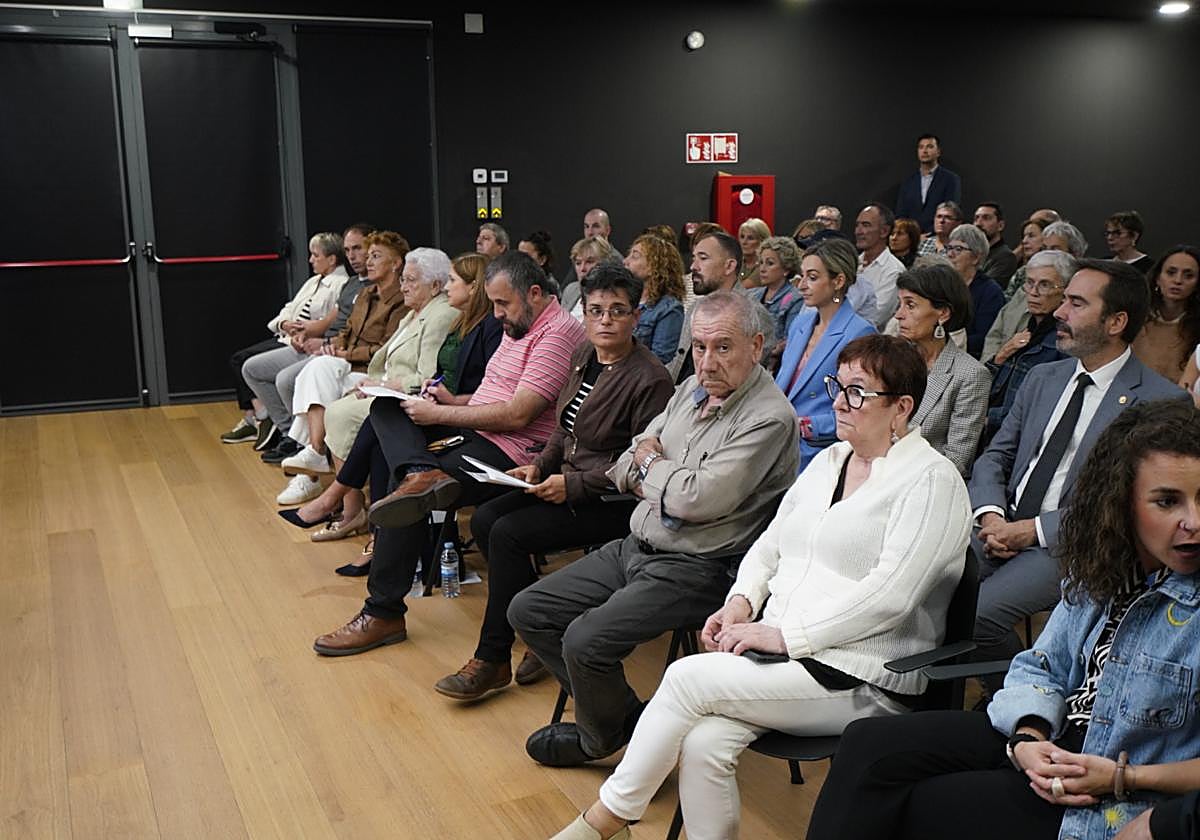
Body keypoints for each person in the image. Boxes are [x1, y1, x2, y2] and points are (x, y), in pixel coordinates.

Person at [547, 334, 973, 840]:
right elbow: (771, 544)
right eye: (838, 385)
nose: (838, 400)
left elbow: (892, 596)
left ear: (902, 406)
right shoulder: (832, 461)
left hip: (865, 675)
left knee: (686, 678)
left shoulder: (931, 479)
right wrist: (741, 601)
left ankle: (604, 820)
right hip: (795, 657)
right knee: (704, 742)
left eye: (857, 392)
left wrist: (787, 637)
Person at [806, 398, 1200, 840]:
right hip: (1057, 738)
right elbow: (1042, 665)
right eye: (1167, 501)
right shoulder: (1107, 565)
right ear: (1123, 502)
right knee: (866, 744)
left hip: (1117, 784)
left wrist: (1122, 778)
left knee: (925, 805)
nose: (1194, 522)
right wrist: (1028, 737)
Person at [509, 291, 800, 770]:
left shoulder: (769, 418)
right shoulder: (690, 390)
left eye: (723, 347)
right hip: (635, 546)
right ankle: (629, 722)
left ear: (757, 345)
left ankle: (598, 737)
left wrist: (650, 463)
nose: (706, 362)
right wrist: (652, 465)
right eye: (700, 346)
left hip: (700, 567)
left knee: (585, 641)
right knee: (529, 609)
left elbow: (694, 499)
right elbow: (626, 460)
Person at [311, 251, 585, 655]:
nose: (496, 315)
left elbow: (518, 414)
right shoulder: (520, 324)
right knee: (386, 408)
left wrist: (441, 411)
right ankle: (420, 474)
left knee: (406, 488)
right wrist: (453, 400)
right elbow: (495, 395)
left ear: (535, 293)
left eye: (502, 303)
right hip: (475, 427)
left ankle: (383, 609)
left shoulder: (556, 334)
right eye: (493, 303)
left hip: (510, 453)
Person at [433, 263, 674, 701]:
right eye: (595, 310)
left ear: (635, 318)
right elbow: (565, 428)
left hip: (613, 502)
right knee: (486, 520)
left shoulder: (650, 378)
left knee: (505, 531)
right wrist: (540, 466)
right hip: (568, 481)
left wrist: (573, 485)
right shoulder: (585, 356)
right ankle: (539, 624)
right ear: (583, 313)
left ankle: (492, 658)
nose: (604, 320)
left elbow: (640, 466)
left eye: (617, 311)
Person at [968, 259, 1186, 696]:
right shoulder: (1044, 377)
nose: (1058, 313)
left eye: (1075, 303)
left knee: (978, 615)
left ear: (1115, 322)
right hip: (998, 524)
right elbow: (997, 455)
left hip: (1076, 544)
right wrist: (990, 514)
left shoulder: (1162, 402)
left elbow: (1131, 502)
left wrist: (1033, 531)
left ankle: (1029, 704)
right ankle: (929, 700)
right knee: (924, 588)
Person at [288, 253, 503, 570]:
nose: (447, 287)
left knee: (379, 419)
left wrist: (442, 398)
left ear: (473, 288)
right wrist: (434, 387)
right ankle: (370, 521)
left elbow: (487, 390)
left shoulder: (476, 324)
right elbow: (445, 371)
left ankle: (345, 501)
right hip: (440, 400)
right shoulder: (462, 320)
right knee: (378, 415)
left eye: (453, 281)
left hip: (465, 418)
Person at [277, 247, 458, 517]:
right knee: (326, 385)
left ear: (434, 285)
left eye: (410, 280)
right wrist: (372, 381)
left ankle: (345, 506)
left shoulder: (441, 315)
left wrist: (383, 386)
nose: (403, 287)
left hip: (407, 396)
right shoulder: (415, 311)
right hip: (381, 381)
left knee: (339, 411)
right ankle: (338, 494)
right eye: (403, 280)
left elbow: (426, 377)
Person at [267, 231, 409, 496]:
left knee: (317, 372)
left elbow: (384, 350)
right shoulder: (365, 294)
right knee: (317, 367)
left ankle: (311, 461)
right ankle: (314, 455)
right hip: (348, 364)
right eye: (368, 256)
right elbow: (347, 331)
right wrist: (335, 346)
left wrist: (344, 354)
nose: (368, 261)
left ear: (396, 263)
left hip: (372, 371)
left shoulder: (401, 299)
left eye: (375, 256)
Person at [242, 223, 373, 455]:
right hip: (316, 343)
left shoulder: (369, 288)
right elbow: (330, 319)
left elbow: (355, 333)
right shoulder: (351, 284)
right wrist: (303, 333)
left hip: (336, 350)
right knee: (250, 367)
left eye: (357, 248)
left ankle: (303, 443)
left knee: (286, 380)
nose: (351, 256)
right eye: (348, 249)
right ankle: (288, 432)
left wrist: (322, 342)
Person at [221, 232, 348, 447]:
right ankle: (263, 419)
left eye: (315, 255)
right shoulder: (314, 281)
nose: (311, 260)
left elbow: (329, 324)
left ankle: (273, 424)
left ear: (332, 259)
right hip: (287, 337)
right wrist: (284, 324)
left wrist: (305, 334)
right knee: (243, 362)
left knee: (250, 364)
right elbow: (289, 308)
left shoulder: (340, 285)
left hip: (306, 343)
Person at [777, 238, 876, 470]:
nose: (801, 285)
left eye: (812, 277)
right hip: (778, 438)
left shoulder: (860, 331)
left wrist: (804, 426)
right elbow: (781, 386)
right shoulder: (800, 323)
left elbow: (859, 407)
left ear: (838, 281)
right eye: (800, 276)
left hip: (817, 450)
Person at [893, 263, 989, 477]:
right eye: (899, 304)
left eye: (910, 305)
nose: (899, 314)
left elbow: (956, 460)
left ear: (943, 313)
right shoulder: (892, 360)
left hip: (922, 484)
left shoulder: (970, 375)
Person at [984, 250, 1074, 444]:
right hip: (989, 428)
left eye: (1045, 285)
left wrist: (988, 419)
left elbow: (1040, 409)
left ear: (1065, 292)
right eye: (1030, 283)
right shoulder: (1026, 328)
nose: (1033, 293)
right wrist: (1001, 355)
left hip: (1015, 439)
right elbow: (985, 383)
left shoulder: (1064, 344)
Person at [986, 220, 1090, 360]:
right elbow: (995, 335)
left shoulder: (1076, 317)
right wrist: (993, 363)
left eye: (1054, 249)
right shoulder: (1023, 291)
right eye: (1044, 249)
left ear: (1075, 255)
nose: (1034, 292)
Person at [1132, 246, 1200, 381]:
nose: (1178, 280)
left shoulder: (1197, 327)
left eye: (1188, 275)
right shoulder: (1135, 319)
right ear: (1158, 278)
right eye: (1171, 272)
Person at [623, 233, 685, 365]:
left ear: (654, 266)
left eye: (635, 255)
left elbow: (659, 360)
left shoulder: (669, 309)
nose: (625, 261)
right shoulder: (624, 300)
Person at [945, 223, 1005, 359]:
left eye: (958, 249)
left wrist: (944, 343)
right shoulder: (942, 284)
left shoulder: (990, 292)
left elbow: (984, 337)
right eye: (949, 248)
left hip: (967, 358)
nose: (950, 254)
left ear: (976, 257)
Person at [748, 235, 805, 371]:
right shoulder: (751, 295)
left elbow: (789, 341)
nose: (762, 269)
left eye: (770, 263)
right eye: (761, 262)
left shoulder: (795, 299)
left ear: (786, 269)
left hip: (775, 367)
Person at [895, 133, 963, 233]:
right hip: (911, 239)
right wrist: (914, 235)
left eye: (930, 147)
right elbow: (901, 214)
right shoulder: (908, 182)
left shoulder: (950, 179)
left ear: (938, 152)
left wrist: (929, 234)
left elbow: (951, 212)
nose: (925, 151)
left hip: (939, 236)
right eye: (921, 147)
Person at [560, 208, 622, 311]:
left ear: (607, 230)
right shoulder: (571, 290)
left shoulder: (616, 262)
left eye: (595, 226)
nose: (589, 232)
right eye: (586, 227)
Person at [855, 203, 906, 328]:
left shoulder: (894, 271)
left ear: (884, 231)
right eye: (857, 225)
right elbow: (834, 300)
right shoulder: (852, 264)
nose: (858, 231)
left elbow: (874, 318)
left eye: (866, 225)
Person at [565, 237, 618, 318]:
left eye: (589, 262)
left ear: (605, 263)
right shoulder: (571, 290)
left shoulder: (614, 294)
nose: (582, 268)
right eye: (578, 263)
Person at [976, 202, 1019, 284]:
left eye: (986, 218)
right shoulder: (972, 253)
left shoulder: (1005, 257)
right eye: (976, 218)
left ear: (1000, 226)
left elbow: (985, 288)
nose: (978, 223)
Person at [737, 217, 771, 287]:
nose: (744, 242)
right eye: (742, 237)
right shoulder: (737, 262)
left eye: (750, 238)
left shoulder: (765, 265)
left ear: (762, 241)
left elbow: (741, 289)